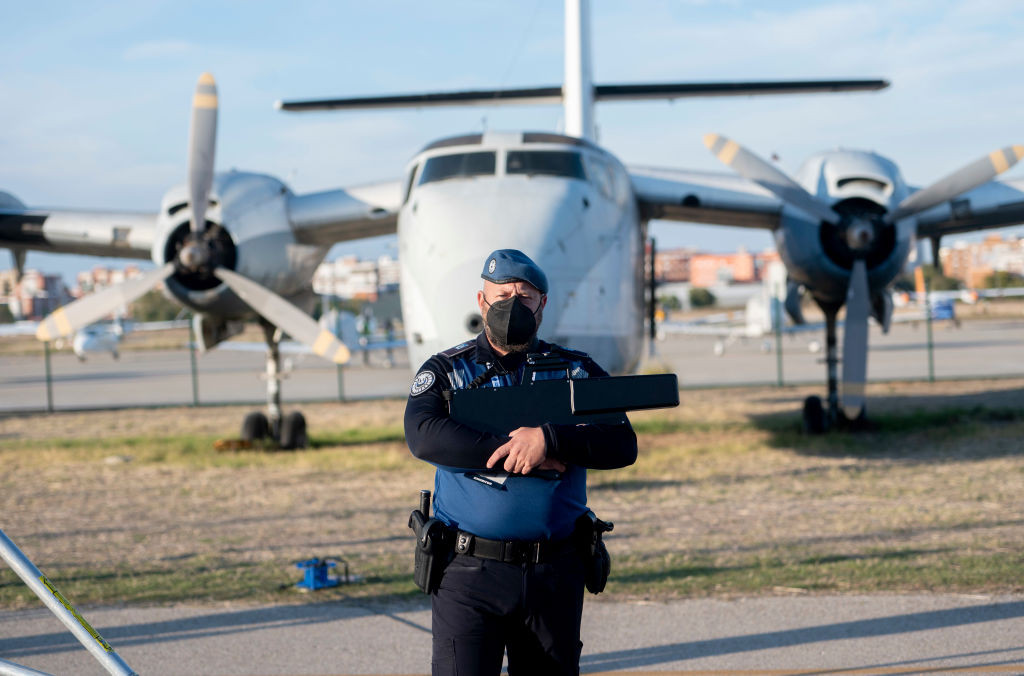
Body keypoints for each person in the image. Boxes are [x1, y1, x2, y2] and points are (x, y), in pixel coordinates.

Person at [404, 249, 638, 675]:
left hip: (554, 571)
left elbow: (622, 444)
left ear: (542, 304)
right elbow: (422, 435)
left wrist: (550, 439)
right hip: (469, 573)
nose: (512, 304)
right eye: (502, 294)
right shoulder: (447, 371)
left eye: (524, 296)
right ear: (481, 301)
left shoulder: (576, 372)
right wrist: (513, 451)